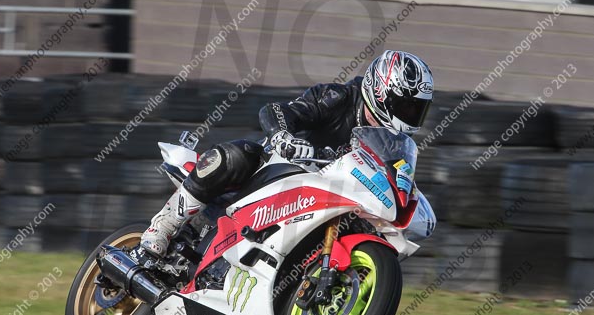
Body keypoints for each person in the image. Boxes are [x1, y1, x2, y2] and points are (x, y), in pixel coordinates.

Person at [139, 50, 435, 257]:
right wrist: (284, 137)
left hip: (329, 199)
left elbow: (397, 178)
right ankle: (164, 224)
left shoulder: (393, 144)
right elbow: (278, 111)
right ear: (383, 92)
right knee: (238, 155)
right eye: (406, 106)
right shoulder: (338, 98)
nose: (411, 116)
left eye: (417, 110)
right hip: (282, 170)